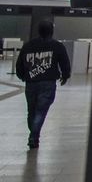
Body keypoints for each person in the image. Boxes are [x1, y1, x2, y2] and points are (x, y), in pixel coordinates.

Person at [16, 20, 70, 151]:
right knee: (41, 111)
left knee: (31, 110)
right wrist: (65, 75)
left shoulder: (28, 46)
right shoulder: (57, 46)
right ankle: (34, 136)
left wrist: (23, 76)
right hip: (48, 82)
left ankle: (33, 134)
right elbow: (64, 62)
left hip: (31, 83)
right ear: (51, 31)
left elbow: (19, 64)